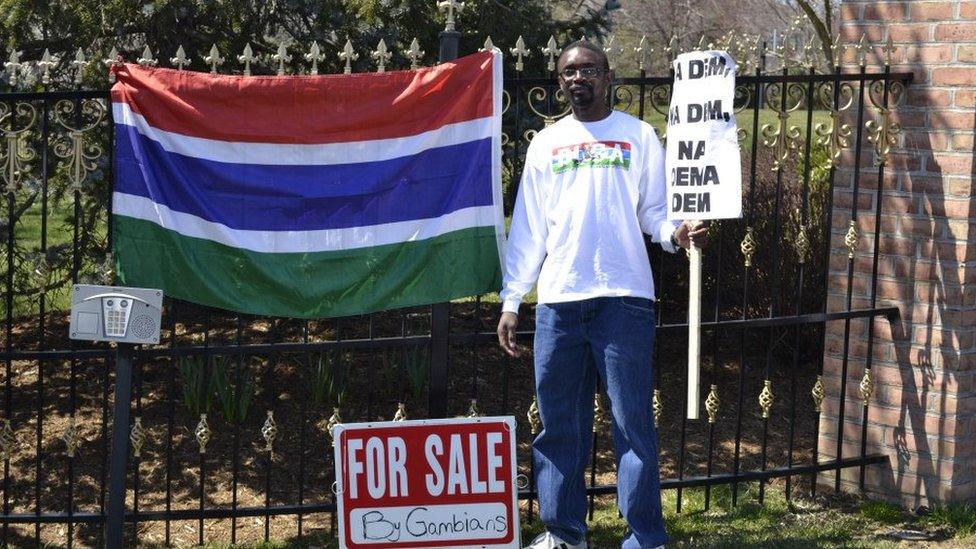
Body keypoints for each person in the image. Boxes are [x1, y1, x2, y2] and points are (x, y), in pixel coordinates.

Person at [496, 41, 707, 549]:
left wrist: (676, 233)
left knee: (632, 422)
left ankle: (645, 537)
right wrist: (512, 299)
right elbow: (529, 227)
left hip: (624, 299)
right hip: (559, 304)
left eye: (587, 69)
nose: (577, 78)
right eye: (568, 72)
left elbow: (654, 210)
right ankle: (565, 535)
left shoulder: (637, 136)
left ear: (607, 76)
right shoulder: (547, 143)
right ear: (559, 80)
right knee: (559, 427)